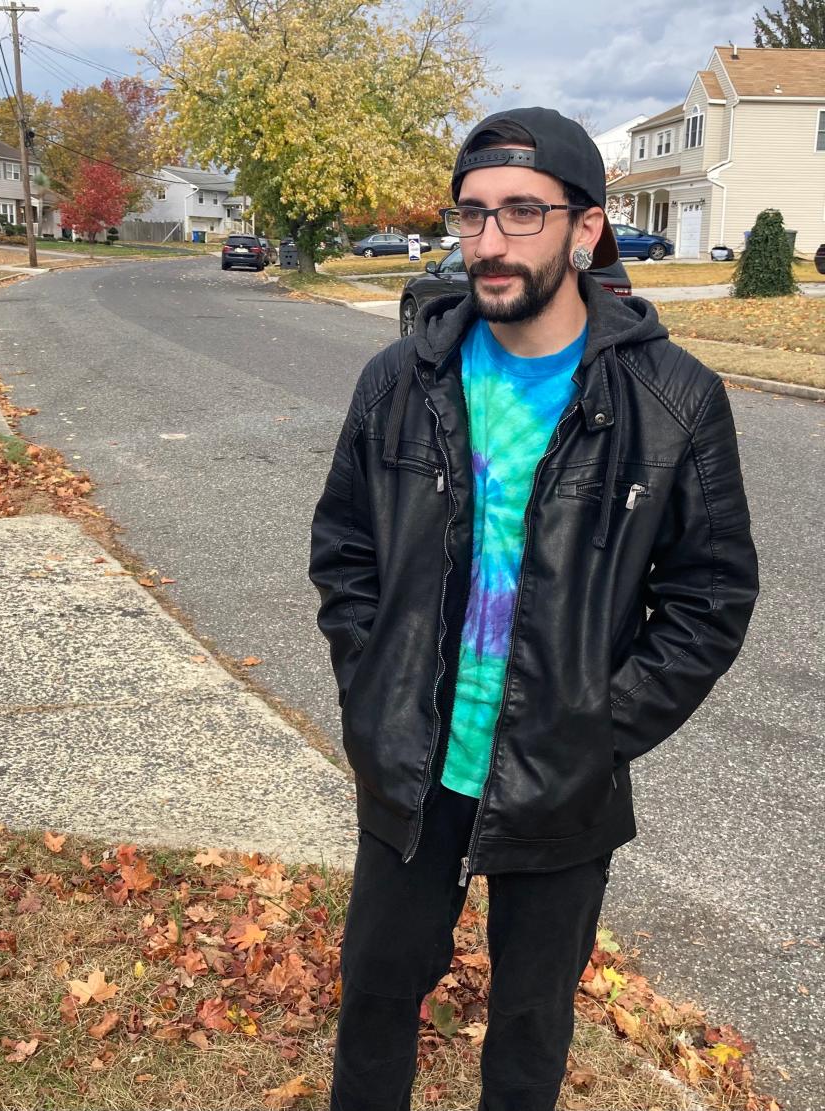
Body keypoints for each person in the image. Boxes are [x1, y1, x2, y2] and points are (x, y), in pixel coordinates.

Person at [308, 107, 759, 1111]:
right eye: (473, 216)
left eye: (523, 213)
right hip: (413, 766)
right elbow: (345, 550)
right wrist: (371, 682)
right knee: (376, 1001)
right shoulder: (402, 379)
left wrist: (598, 727)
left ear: (586, 229)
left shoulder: (674, 399)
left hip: (565, 783)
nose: (492, 243)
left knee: (527, 1031)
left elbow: (712, 595)